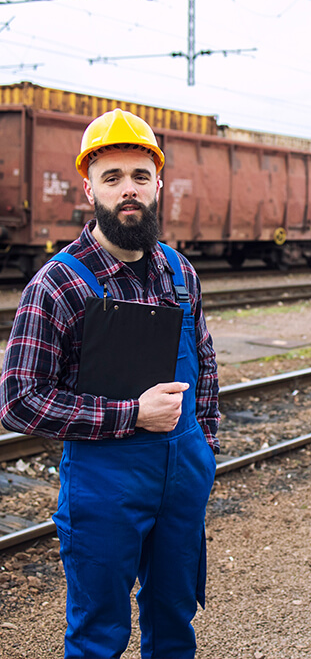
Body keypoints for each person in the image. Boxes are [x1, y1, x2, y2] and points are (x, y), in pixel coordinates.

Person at [0, 109, 220, 659]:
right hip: (105, 486)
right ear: (89, 188)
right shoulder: (58, 283)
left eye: (140, 176)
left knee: (174, 619)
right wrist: (131, 415)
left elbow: (207, 363)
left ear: (158, 185)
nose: (129, 190)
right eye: (113, 177)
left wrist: (205, 447)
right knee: (99, 634)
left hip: (183, 476)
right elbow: (19, 403)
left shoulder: (179, 270)